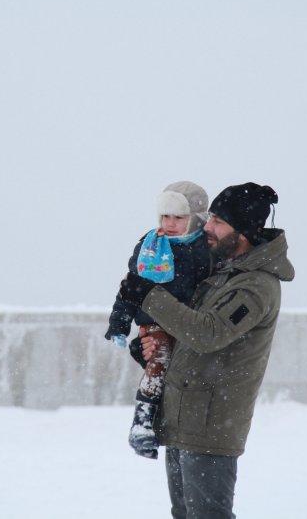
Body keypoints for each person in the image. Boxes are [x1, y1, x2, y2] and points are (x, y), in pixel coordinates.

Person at [117, 182, 294, 518]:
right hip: (185, 418)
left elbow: (208, 333)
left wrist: (148, 295)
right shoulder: (222, 273)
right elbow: (189, 332)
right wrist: (151, 349)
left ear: (242, 231)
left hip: (211, 427)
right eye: (209, 218)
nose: (207, 228)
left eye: (218, 222)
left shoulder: (254, 286)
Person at [105, 181, 211, 459]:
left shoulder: (206, 249)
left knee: (180, 374)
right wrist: (119, 325)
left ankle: (164, 425)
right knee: (159, 361)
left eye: (179, 217)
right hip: (155, 322)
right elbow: (129, 290)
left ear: (197, 219)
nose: (171, 223)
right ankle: (142, 421)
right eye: (166, 216)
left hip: (189, 324)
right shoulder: (150, 246)